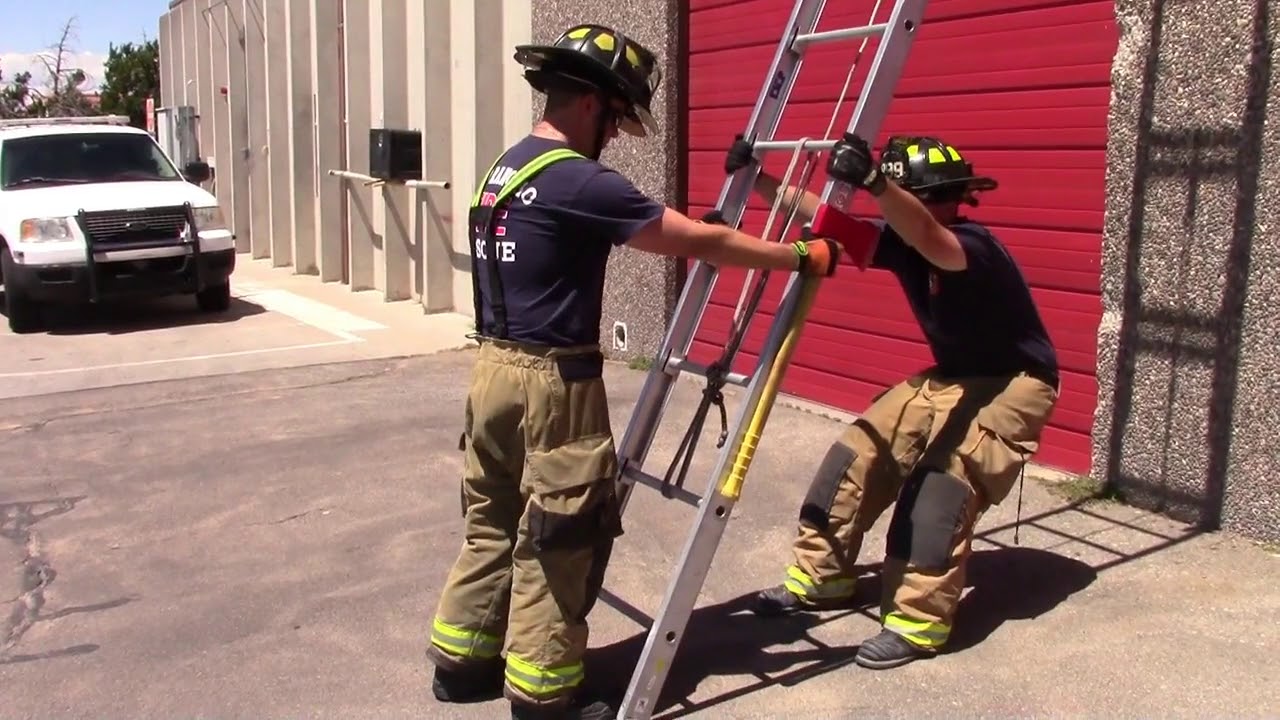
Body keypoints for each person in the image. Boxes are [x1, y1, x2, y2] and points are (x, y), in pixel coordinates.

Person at [425, 23, 843, 720]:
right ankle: (544, 692)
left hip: (492, 374)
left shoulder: (508, 170)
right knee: (560, 537)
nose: (617, 135)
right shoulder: (580, 181)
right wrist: (797, 257)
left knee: (493, 521)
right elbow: (696, 241)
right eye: (617, 117)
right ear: (589, 103)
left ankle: (462, 664)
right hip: (552, 386)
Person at [722, 132, 1061, 669]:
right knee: (857, 455)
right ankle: (822, 577)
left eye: (904, 196)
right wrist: (758, 178)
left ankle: (917, 620)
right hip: (954, 374)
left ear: (942, 197)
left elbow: (927, 233)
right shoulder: (908, 243)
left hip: (1016, 381)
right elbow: (827, 219)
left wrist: (876, 182)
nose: (892, 208)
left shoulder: (970, 245)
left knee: (939, 487)